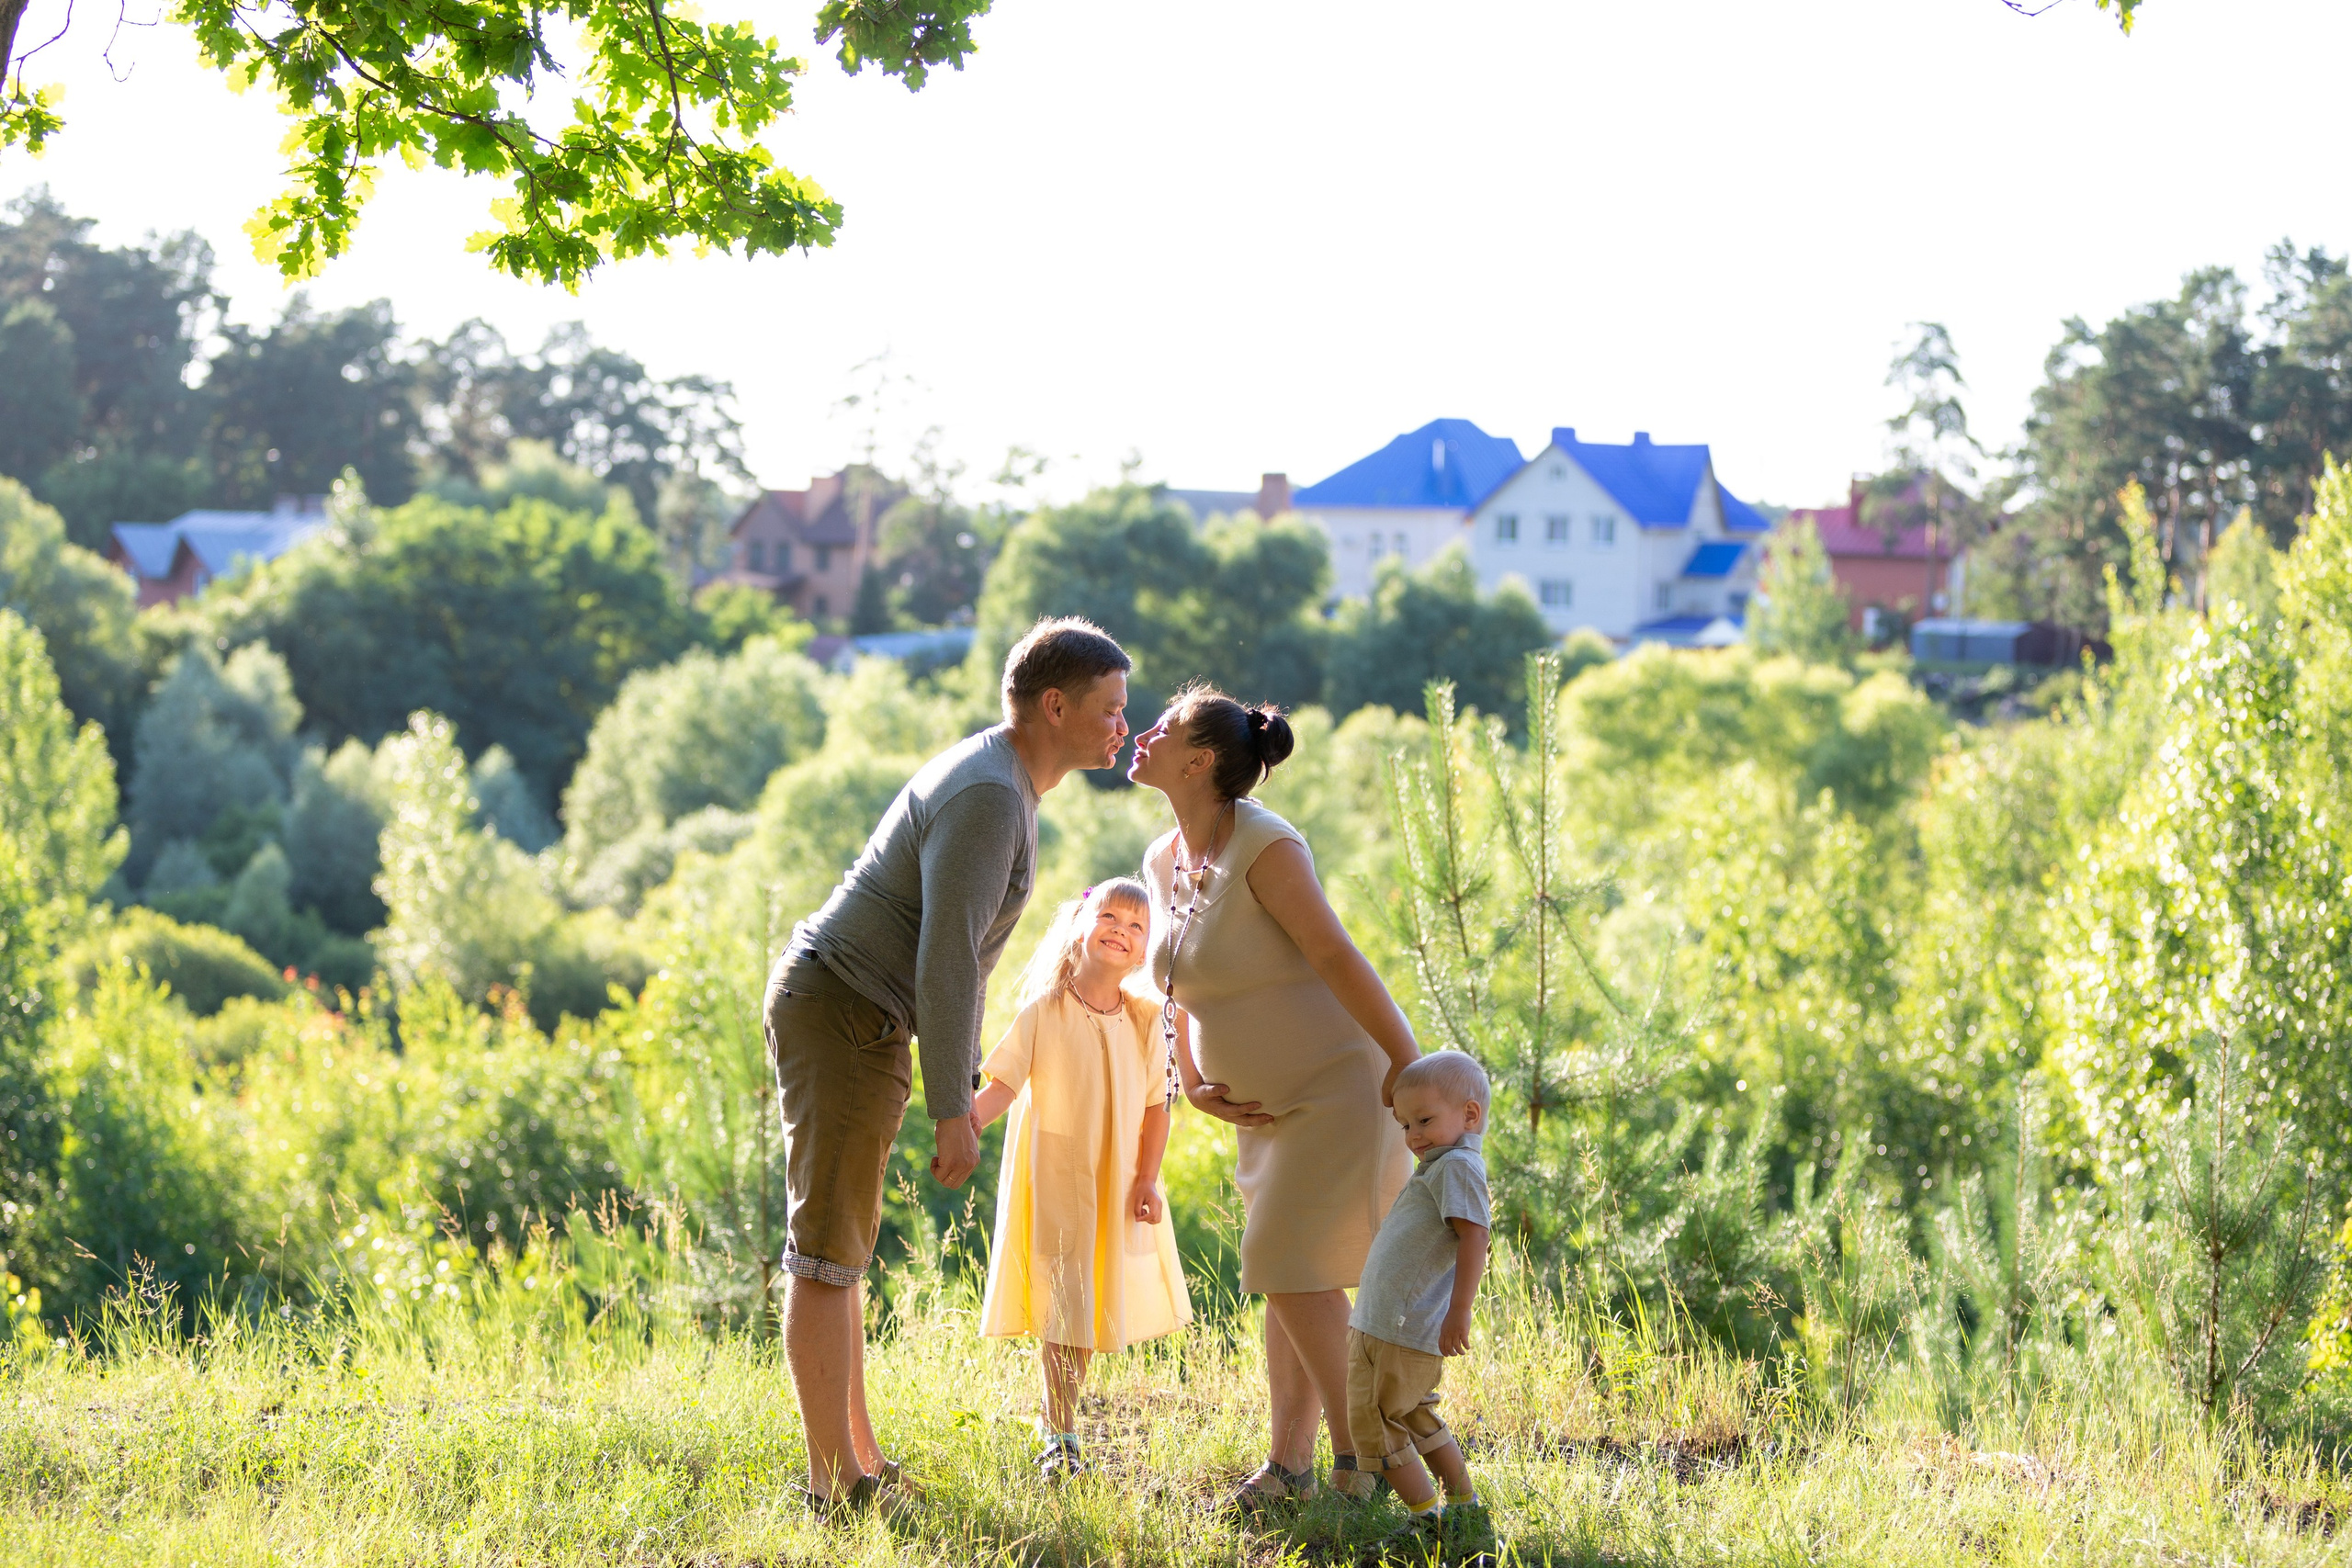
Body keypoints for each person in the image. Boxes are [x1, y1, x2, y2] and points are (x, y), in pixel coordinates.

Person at [765, 615, 1133, 1514]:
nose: (1123, 726)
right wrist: (954, 1105)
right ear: (1054, 705)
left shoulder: (1003, 780)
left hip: (860, 1014)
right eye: (1110, 709)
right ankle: (830, 1487)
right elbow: (945, 957)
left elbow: (950, 957)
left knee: (841, 1252)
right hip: (847, 1007)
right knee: (823, 1256)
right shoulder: (991, 796)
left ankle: (859, 1467)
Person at [1131, 684, 1420, 1516]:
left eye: (1163, 725)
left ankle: (1363, 1458)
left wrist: (1406, 1059)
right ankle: (1291, 1463)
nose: (1140, 733)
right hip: (1262, 1110)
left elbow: (1336, 953)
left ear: (1199, 760)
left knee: (1287, 1266)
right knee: (1297, 1276)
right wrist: (1185, 1072)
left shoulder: (1267, 843)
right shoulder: (1164, 858)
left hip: (1336, 1088)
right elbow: (1177, 983)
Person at [972, 877, 1193, 1480]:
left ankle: (1056, 1422)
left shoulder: (1147, 1020)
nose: (1122, 930)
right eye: (1112, 916)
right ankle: (1060, 1430)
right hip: (1058, 1176)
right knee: (1064, 1302)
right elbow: (1002, 1085)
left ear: (1147, 947)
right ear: (1080, 923)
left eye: (1137, 925)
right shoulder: (1045, 1009)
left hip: (1117, 1178)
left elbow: (1157, 1107)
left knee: (1089, 1302)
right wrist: (961, 1129)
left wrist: (1148, 1179)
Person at [1330, 1051, 1497, 1561]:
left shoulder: (1458, 1167)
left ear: (1469, 1115)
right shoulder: (1443, 1165)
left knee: (1376, 1422)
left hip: (1399, 1328)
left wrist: (1460, 1310)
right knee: (1415, 1415)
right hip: (1390, 1323)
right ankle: (1464, 1508)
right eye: (1405, 1124)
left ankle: (1427, 1521)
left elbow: (1475, 1238)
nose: (1413, 1135)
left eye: (1424, 1119)